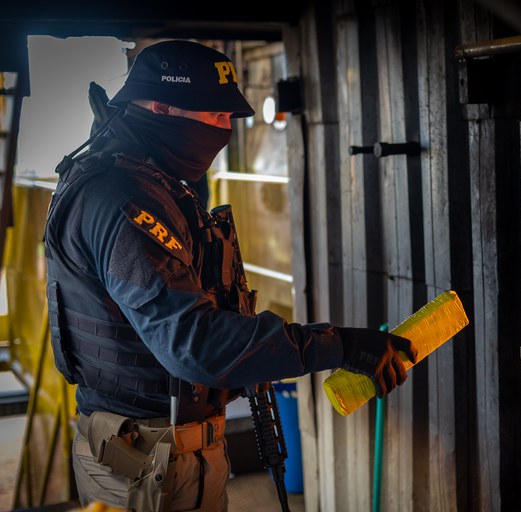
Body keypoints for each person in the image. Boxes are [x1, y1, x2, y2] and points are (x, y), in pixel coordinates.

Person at [44, 39, 416, 512]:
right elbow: (193, 343)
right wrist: (339, 345)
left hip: (166, 452)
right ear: (161, 106)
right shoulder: (122, 199)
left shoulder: (146, 181)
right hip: (144, 462)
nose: (226, 129)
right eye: (216, 115)